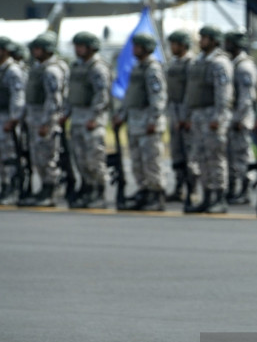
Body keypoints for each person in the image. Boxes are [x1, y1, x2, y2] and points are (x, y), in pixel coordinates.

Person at [114, 33, 168, 211]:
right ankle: (144, 191)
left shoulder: (152, 69)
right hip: (135, 122)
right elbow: (130, 96)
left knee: (151, 161)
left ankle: (156, 194)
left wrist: (153, 120)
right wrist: (121, 115)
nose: (134, 49)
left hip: (148, 124)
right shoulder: (137, 67)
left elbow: (158, 98)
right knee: (137, 161)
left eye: (137, 46)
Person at [183, 25, 233, 214]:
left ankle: (219, 196)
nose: (200, 41)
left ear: (213, 40)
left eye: (204, 38)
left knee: (215, 158)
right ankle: (207, 195)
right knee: (201, 158)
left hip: (212, 114)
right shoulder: (199, 61)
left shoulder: (220, 63)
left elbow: (223, 93)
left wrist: (219, 117)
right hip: (199, 115)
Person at [18, 31, 68, 207]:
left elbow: (53, 99)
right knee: (37, 157)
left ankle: (51, 190)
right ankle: (44, 189)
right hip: (34, 119)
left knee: (47, 157)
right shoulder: (37, 69)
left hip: (44, 121)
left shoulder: (51, 71)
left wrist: (47, 123)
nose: (35, 52)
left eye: (38, 49)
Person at [63, 31, 111, 209]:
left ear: (91, 48)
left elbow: (102, 95)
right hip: (77, 118)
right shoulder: (76, 66)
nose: (77, 49)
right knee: (80, 158)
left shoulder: (97, 68)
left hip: (91, 120)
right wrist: (65, 113)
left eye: (81, 46)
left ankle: (99, 192)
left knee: (94, 159)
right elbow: (71, 94)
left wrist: (94, 117)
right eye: (76, 46)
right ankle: (87, 189)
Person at [224, 29, 257, 205]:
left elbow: (246, 97)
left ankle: (245, 190)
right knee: (231, 156)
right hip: (233, 117)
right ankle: (233, 188)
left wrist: (239, 119)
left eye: (228, 42)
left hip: (241, 119)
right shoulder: (232, 63)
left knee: (243, 155)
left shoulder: (244, 66)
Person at [165, 30, 193, 202]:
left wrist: (186, 117)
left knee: (190, 154)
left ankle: (192, 188)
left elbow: (191, 92)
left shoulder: (191, 63)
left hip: (187, 114)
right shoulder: (173, 64)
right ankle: (178, 186)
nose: (172, 47)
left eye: (174, 44)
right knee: (177, 154)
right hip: (175, 113)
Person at [0, 37, 26, 206]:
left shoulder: (12, 70)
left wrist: (14, 118)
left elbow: (18, 96)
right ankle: (4, 186)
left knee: (10, 155)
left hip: (8, 118)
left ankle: (12, 188)